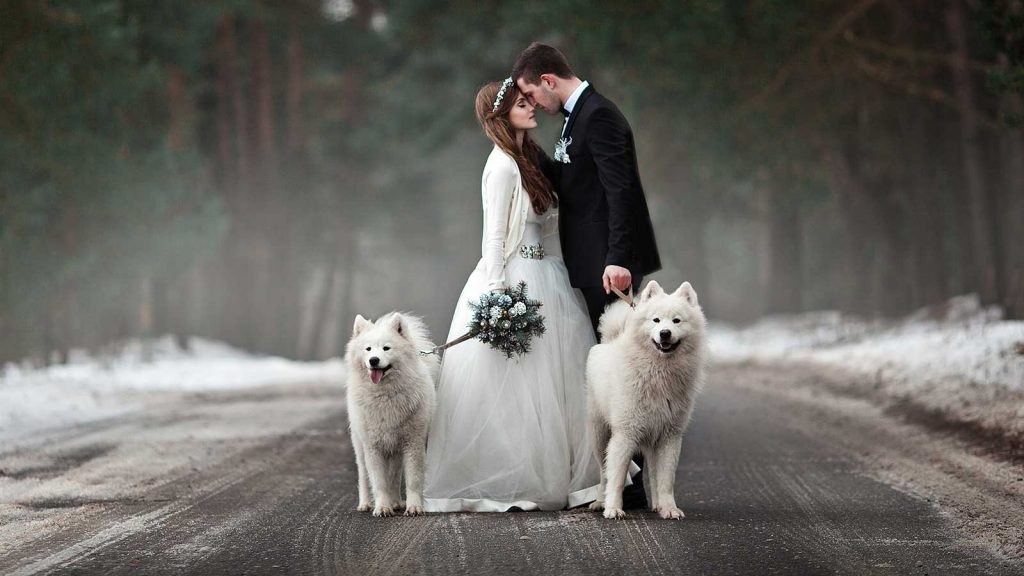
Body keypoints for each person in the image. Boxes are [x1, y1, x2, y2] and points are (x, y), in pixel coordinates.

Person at [422, 79, 603, 511]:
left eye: (529, 101)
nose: (532, 107)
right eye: (522, 104)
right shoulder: (502, 165)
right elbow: (495, 236)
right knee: (516, 385)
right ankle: (515, 479)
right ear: (501, 115)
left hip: (546, 274)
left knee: (555, 381)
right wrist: (498, 295)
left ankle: (569, 476)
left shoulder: (528, 160)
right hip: (514, 278)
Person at [511, 43, 661, 509]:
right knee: (615, 373)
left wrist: (618, 257)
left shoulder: (599, 116)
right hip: (592, 261)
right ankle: (624, 481)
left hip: (609, 266)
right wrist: (526, 152)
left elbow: (621, 191)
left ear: (549, 81)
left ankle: (632, 487)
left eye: (532, 94)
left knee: (627, 373)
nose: (533, 103)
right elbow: (577, 181)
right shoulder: (577, 118)